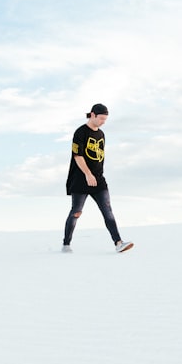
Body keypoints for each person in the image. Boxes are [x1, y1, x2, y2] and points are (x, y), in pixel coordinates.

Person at [62, 104, 133, 253]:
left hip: (99, 180)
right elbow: (78, 156)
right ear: (93, 115)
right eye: (101, 118)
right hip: (80, 179)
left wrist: (95, 175)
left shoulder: (101, 134)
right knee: (76, 212)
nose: (103, 122)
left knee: (107, 211)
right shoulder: (80, 132)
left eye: (105, 119)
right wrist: (88, 174)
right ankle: (66, 244)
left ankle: (118, 242)